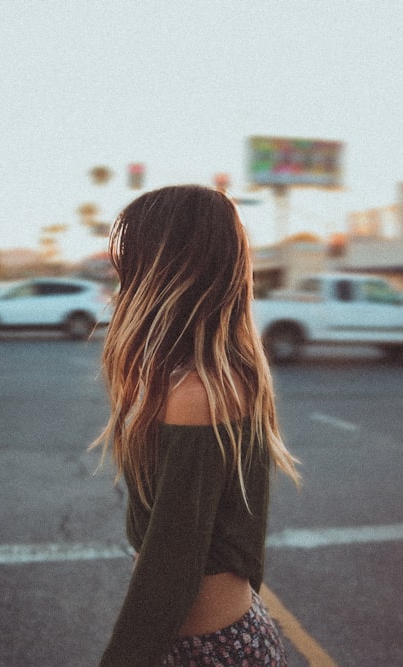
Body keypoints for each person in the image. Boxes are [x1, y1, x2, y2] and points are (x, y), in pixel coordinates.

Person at [92, 185, 302, 666]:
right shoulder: (217, 375)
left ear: (167, 273)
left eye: (133, 264)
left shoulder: (199, 394)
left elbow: (170, 570)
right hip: (221, 638)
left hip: (208, 651)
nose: (122, 278)